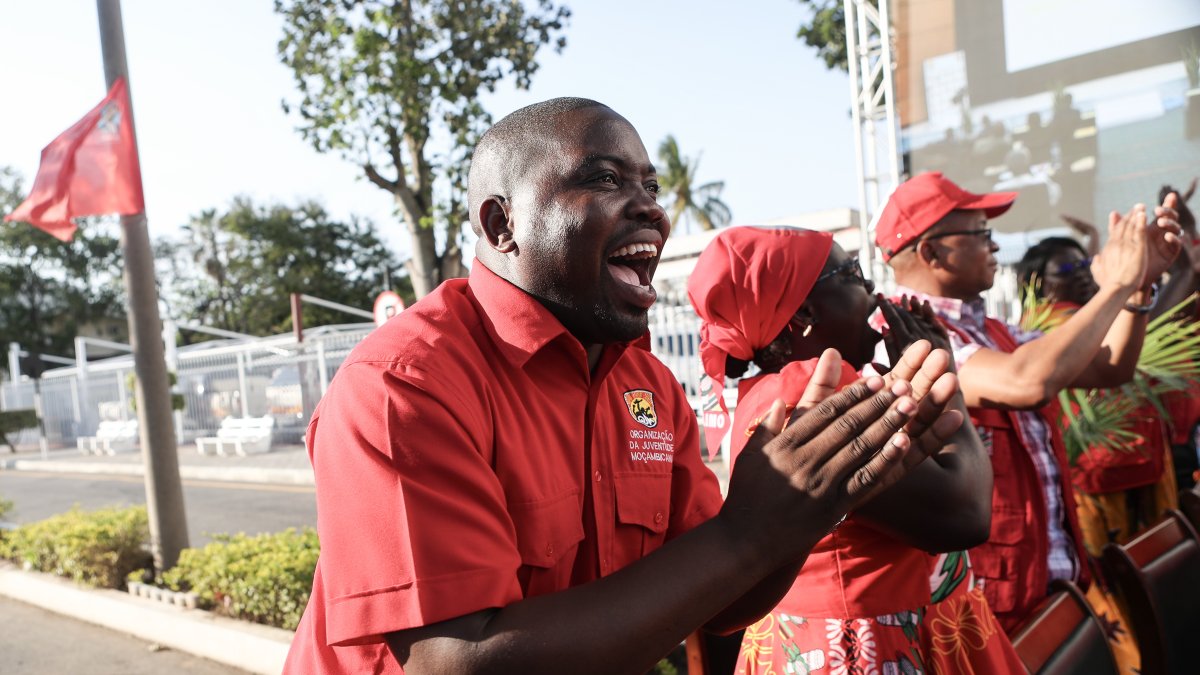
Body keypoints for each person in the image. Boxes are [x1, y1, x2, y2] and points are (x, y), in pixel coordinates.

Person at [283, 98, 963, 674]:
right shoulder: (405, 384)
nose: (651, 210)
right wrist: (750, 532)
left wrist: (810, 507)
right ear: (502, 224)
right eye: (605, 179)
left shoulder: (647, 384)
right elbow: (455, 659)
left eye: (652, 186)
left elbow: (718, 598)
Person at [688, 226, 1024, 674]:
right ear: (804, 312)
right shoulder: (808, 392)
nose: (871, 289)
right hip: (860, 647)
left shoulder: (770, 390)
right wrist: (945, 372)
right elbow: (965, 516)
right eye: (854, 274)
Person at [875, 171, 1181, 632]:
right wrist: (1115, 287)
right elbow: (1027, 382)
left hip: (1048, 589)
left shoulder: (991, 330)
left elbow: (1108, 367)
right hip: (988, 609)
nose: (995, 247)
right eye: (981, 234)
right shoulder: (904, 335)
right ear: (930, 252)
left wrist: (1136, 288)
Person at [1016, 236, 1180, 673]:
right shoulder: (1039, 331)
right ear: (1036, 282)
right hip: (1088, 494)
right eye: (1066, 271)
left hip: (1139, 473)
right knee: (1120, 610)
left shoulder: (1085, 319)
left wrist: (1137, 287)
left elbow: (1116, 366)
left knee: (1156, 591)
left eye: (1083, 265)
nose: (1082, 276)